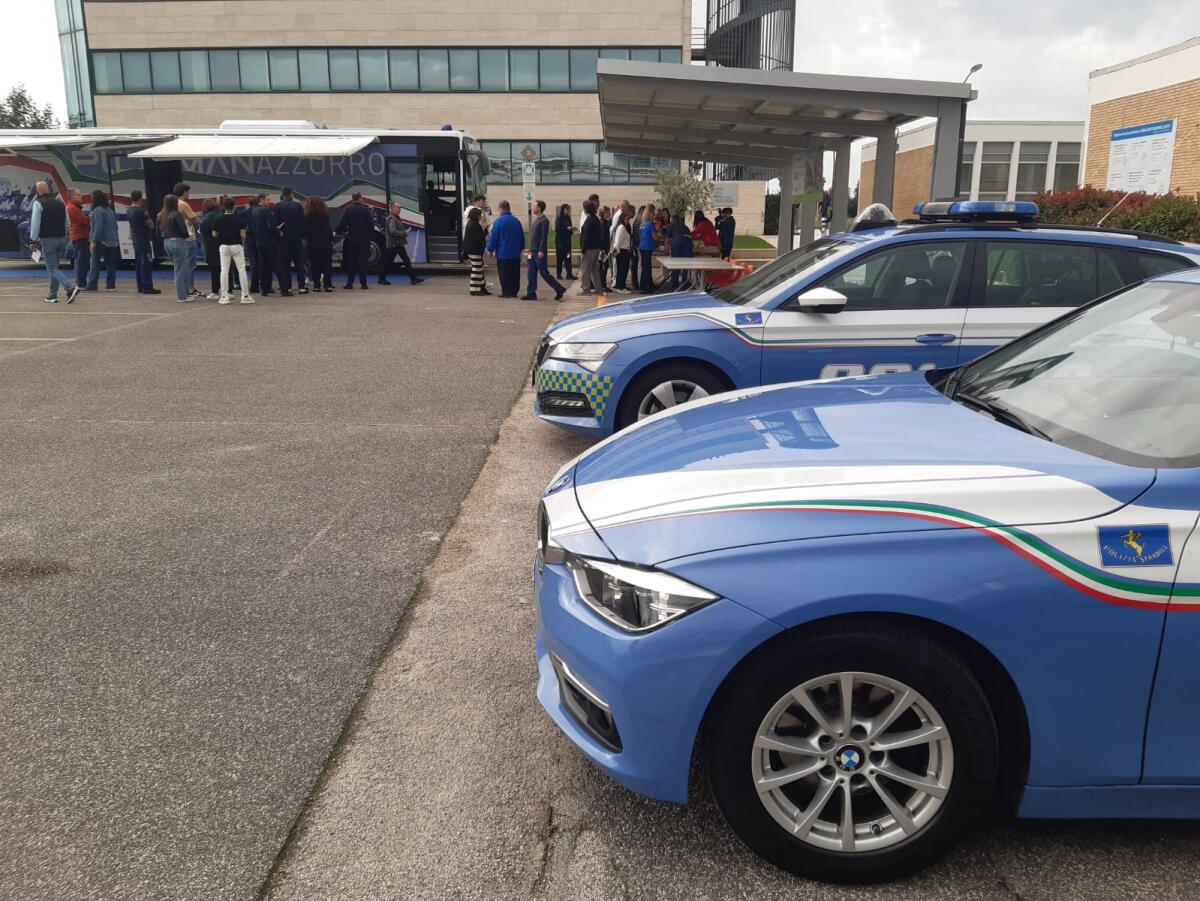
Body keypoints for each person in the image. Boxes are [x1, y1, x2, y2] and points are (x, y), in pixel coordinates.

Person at [29, 181, 79, 303]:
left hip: (47, 239)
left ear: (38, 191)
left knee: (51, 268)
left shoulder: (38, 203)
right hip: (61, 238)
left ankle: (69, 288)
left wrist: (33, 239)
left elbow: (35, 223)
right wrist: (64, 234)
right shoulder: (61, 203)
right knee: (55, 267)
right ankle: (52, 294)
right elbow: (67, 223)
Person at [211, 197, 253, 305]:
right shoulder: (238, 219)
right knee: (241, 270)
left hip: (223, 246)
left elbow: (214, 234)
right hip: (236, 246)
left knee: (224, 270)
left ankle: (224, 296)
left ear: (223, 206)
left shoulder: (218, 219)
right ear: (234, 206)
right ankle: (245, 295)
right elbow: (243, 235)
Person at [521, 200, 565, 302]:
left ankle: (559, 288)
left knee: (544, 273)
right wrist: (529, 249)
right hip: (532, 251)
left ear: (539, 208)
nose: (532, 207)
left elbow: (544, 237)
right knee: (531, 273)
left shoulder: (544, 221)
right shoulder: (536, 220)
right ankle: (531, 293)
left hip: (539, 251)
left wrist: (541, 250)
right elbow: (533, 237)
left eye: (534, 206)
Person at [485, 200, 524, 298]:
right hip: (515, 253)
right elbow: (522, 237)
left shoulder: (499, 222)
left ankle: (506, 291)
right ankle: (514, 291)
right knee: (515, 273)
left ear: (501, 209)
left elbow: (494, 237)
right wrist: (520, 248)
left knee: (504, 273)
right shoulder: (516, 221)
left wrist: (490, 249)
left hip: (503, 253)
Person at [158, 194, 193, 302]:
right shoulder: (176, 215)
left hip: (167, 242)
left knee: (181, 268)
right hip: (178, 242)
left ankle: (185, 293)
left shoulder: (160, 215)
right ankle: (182, 296)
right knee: (180, 270)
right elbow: (183, 230)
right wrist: (188, 236)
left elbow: (157, 232)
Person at [337, 191, 374, 289]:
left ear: (353, 199)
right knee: (363, 262)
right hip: (364, 239)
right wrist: (369, 236)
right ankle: (363, 284)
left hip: (352, 239)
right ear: (360, 198)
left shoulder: (347, 210)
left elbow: (341, 225)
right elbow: (371, 225)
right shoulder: (366, 210)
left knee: (351, 262)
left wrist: (345, 232)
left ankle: (350, 283)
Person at [380, 202, 424, 286]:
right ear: (392, 208)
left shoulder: (395, 217)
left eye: (400, 208)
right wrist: (405, 233)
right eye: (398, 208)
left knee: (404, 261)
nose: (399, 209)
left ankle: (413, 279)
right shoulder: (392, 219)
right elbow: (393, 232)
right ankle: (381, 278)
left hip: (397, 244)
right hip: (394, 244)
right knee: (390, 262)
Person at [275, 186, 308, 296]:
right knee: (299, 263)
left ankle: (287, 287)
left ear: (282, 194)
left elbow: (276, 224)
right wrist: (303, 236)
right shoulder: (298, 206)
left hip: (283, 239)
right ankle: (302, 286)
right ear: (291, 194)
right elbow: (302, 223)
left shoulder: (278, 206)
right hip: (296, 238)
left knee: (285, 264)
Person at [85, 190, 119, 291]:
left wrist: (94, 240)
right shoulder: (109, 210)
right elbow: (115, 226)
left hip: (101, 240)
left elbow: (98, 227)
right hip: (112, 240)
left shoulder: (98, 210)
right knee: (110, 264)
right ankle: (111, 285)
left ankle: (92, 285)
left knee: (94, 262)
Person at [127, 190, 159, 294]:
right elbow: (151, 225)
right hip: (143, 239)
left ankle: (140, 286)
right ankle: (147, 286)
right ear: (140, 199)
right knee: (146, 263)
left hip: (136, 239)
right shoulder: (141, 211)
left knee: (138, 263)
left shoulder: (129, 210)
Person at [250, 193, 281, 296]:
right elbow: (271, 226)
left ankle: (264, 289)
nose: (269, 201)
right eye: (267, 199)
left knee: (263, 267)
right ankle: (285, 288)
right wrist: (278, 232)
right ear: (262, 200)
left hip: (259, 242)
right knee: (277, 265)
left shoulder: (254, 211)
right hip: (269, 243)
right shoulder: (266, 210)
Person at [304, 195, 334, 292]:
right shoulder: (324, 215)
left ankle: (317, 285)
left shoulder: (308, 216)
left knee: (314, 266)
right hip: (325, 244)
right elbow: (329, 230)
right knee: (326, 265)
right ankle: (328, 285)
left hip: (313, 245)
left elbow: (306, 231)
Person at [174, 182, 200, 297]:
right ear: (184, 192)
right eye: (188, 191)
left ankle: (183, 289)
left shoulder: (172, 203)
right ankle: (190, 288)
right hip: (189, 237)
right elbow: (194, 219)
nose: (189, 194)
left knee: (181, 265)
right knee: (190, 265)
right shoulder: (183, 204)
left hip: (178, 238)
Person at [65, 188, 90, 290]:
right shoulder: (72, 208)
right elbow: (84, 220)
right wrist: (90, 218)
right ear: (72, 196)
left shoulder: (74, 207)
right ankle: (81, 283)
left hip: (78, 236)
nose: (81, 196)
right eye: (78, 195)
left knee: (80, 260)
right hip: (80, 236)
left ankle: (80, 282)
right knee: (81, 261)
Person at [579, 200, 606, 295]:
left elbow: (586, 235)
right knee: (595, 269)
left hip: (589, 248)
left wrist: (583, 248)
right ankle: (598, 288)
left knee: (586, 269)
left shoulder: (589, 220)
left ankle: (586, 289)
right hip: (596, 247)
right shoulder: (595, 219)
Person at [199, 197, 223, 299]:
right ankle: (226, 290)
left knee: (214, 270)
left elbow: (202, 229)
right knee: (223, 269)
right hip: (221, 244)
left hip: (211, 246)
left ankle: (215, 291)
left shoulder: (207, 218)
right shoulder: (220, 215)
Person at [463, 207, 488, 297]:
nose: (480, 217)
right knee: (477, 269)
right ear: (476, 216)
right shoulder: (474, 225)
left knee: (479, 268)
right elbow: (480, 237)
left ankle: (481, 287)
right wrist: (486, 230)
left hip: (472, 249)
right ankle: (474, 289)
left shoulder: (471, 224)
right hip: (474, 250)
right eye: (479, 215)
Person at [666, 214, 694, 291]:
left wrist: (666, 249)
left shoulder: (671, 225)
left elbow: (667, 239)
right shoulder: (685, 226)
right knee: (686, 264)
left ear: (672, 220)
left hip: (678, 241)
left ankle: (674, 285)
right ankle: (686, 284)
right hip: (688, 242)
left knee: (676, 263)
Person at [610, 208, 632, 294]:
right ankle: (620, 287)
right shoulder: (622, 227)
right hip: (622, 251)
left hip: (624, 250)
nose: (627, 221)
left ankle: (621, 285)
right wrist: (616, 251)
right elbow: (618, 241)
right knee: (622, 270)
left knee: (623, 269)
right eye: (626, 219)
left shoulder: (623, 227)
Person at [242, 195, 260, 294]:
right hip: (259, 240)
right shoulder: (259, 212)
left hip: (249, 241)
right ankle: (263, 285)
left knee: (253, 265)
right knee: (261, 264)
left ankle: (254, 286)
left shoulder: (244, 213)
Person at [637, 208, 658, 294]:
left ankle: (648, 285)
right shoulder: (650, 224)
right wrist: (659, 238)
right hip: (648, 247)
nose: (654, 216)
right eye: (653, 214)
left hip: (642, 247)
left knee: (645, 267)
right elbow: (654, 237)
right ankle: (644, 287)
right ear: (650, 214)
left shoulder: (642, 224)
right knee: (647, 268)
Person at [554, 203, 575, 280]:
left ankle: (569, 274)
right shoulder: (559, 218)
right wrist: (567, 229)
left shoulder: (568, 218)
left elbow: (569, 228)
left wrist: (572, 230)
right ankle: (559, 274)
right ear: (563, 210)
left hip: (567, 242)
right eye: (566, 209)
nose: (568, 211)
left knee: (568, 257)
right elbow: (557, 229)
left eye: (568, 209)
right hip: (560, 242)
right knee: (559, 259)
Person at [598, 205, 613, 289]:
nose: (609, 214)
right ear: (604, 213)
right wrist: (603, 249)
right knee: (603, 267)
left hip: (604, 248)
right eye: (608, 212)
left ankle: (602, 284)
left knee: (604, 266)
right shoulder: (603, 223)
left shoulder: (603, 222)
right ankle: (602, 285)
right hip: (603, 249)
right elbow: (603, 237)